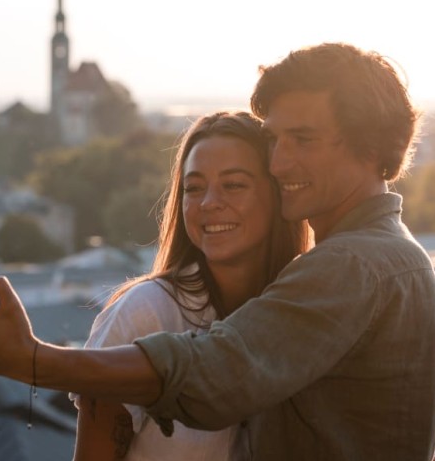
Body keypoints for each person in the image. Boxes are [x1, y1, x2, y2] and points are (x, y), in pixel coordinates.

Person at [0, 42, 435, 460]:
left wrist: (30, 360)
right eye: (274, 140)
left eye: (304, 139)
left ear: (374, 148)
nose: (280, 161)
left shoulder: (355, 265)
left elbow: (216, 371)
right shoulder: (391, 258)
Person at [71, 111, 310, 460]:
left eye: (233, 184)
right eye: (194, 188)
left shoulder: (306, 314)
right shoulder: (144, 313)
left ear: (276, 194)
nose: (209, 202)